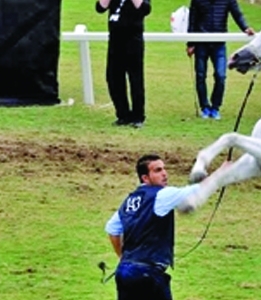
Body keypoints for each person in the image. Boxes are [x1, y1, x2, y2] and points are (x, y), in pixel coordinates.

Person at [105, 154, 201, 300]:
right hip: (148, 274)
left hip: (124, 272)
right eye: (157, 170)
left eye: (164, 169)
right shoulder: (161, 195)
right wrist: (223, 173)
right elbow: (194, 190)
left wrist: (123, 257)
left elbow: (112, 229)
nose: (164, 173)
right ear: (145, 178)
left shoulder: (130, 200)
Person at [186, 0, 255, 120]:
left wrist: (245, 28)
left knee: (221, 75)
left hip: (219, 44)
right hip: (201, 43)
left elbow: (237, 14)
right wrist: (190, 43)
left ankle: (215, 107)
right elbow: (192, 20)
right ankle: (205, 107)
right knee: (201, 75)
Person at [95, 0, 151, 128]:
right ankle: (123, 114)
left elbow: (145, 9)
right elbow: (100, 7)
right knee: (113, 78)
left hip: (133, 39)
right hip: (115, 39)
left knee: (135, 79)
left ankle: (138, 116)